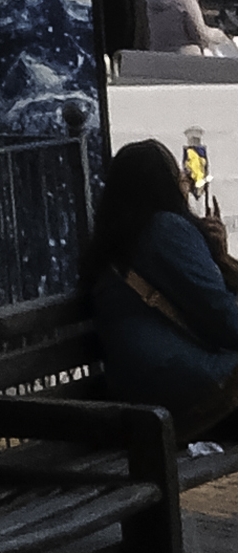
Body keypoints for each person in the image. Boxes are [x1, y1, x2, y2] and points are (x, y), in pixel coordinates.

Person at [88, 138, 238, 431]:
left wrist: (218, 258)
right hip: (188, 394)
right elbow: (223, 319)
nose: (184, 179)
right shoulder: (166, 229)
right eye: (176, 173)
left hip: (148, 390)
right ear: (163, 184)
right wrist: (217, 259)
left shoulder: (116, 239)